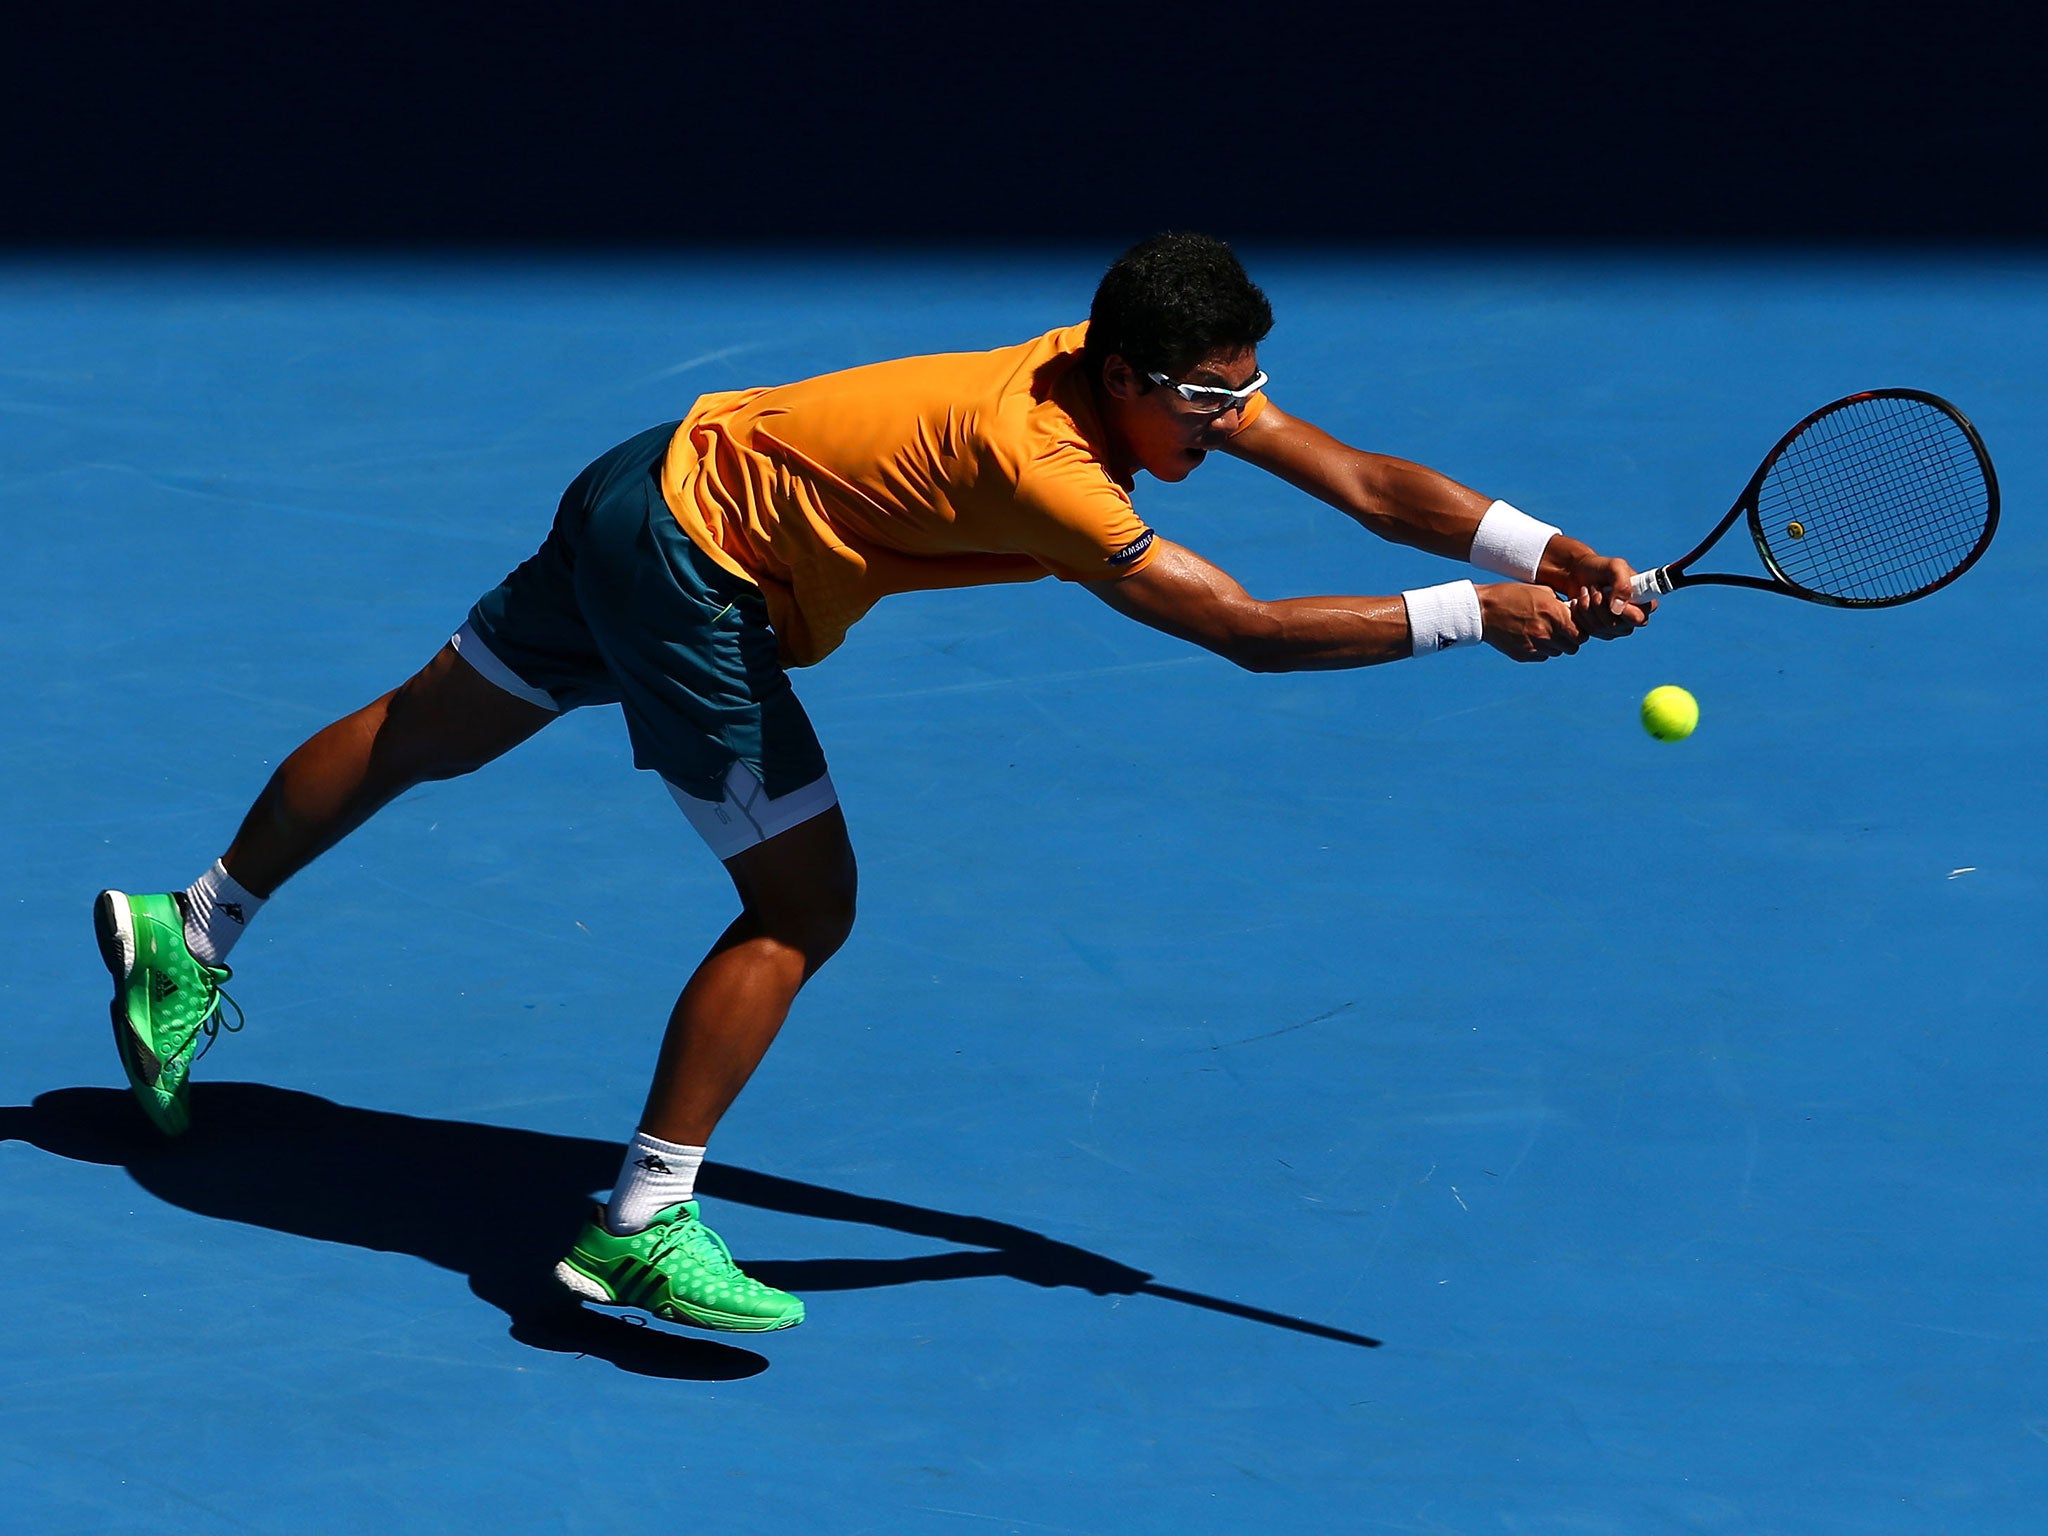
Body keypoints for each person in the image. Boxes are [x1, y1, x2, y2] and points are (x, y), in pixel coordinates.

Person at [93, 232, 1650, 1334]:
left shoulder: (1118, 382)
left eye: (1244, 394)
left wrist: (1534, 546)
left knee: (433, 726)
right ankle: (640, 1224)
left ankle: (193, 929)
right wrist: (1470, 621)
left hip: (652, 479)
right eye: (1208, 401)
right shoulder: (1042, 463)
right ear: (1126, 376)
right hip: (695, 577)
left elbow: (1369, 484)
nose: (1234, 422)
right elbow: (1240, 631)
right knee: (800, 904)